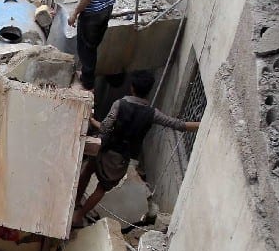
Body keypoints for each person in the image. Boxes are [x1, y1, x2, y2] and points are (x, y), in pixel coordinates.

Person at [72, 70, 199, 229]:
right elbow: (179, 125)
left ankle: (74, 203)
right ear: (148, 91)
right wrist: (203, 124)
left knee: (87, 171)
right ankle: (79, 215)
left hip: (104, 149)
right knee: (101, 188)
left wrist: (92, 120)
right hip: (120, 159)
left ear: (132, 87)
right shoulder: (152, 114)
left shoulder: (119, 104)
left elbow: (104, 128)